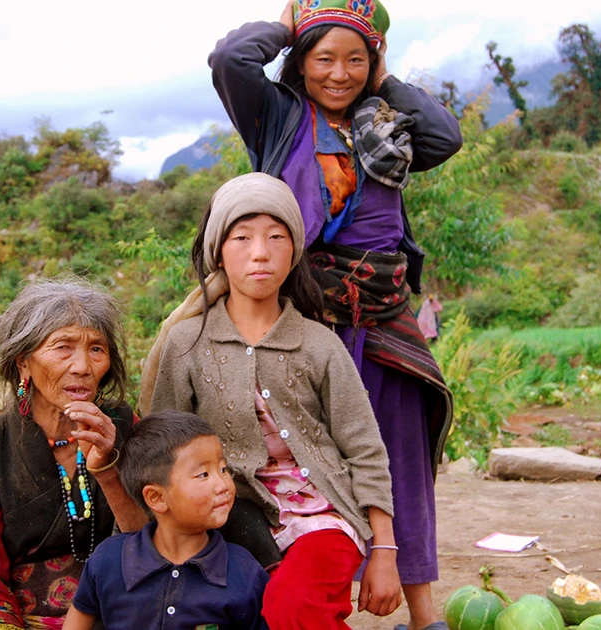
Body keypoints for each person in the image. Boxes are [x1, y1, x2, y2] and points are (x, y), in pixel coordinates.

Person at [207, 2, 462, 628]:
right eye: (325, 58)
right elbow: (228, 59)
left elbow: (446, 137)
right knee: (308, 457)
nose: (339, 73)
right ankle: (313, 596)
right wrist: (294, 24)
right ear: (301, 59)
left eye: (356, 59)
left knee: (398, 454)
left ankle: (423, 612)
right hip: (304, 315)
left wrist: (382, 81)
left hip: (380, 317)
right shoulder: (277, 116)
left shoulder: (387, 123)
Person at [141, 173, 401, 629]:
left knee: (290, 609)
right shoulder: (187, 343)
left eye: (276, 237)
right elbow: (162, 448)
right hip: (228, 518)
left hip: (323, 519)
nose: (260, 252)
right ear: (219, 250)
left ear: (294, 251)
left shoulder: (319, 345)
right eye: (242, 238)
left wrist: (384, 551)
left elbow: (364, 450)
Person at [0, 278, 149, 630]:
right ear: (23, 362)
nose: (83, 367)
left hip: (130, 610)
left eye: (97, 349)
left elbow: (158, 542)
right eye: (63, 347)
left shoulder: (127, 429)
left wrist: (108, 471)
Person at [62, 410, 269, 630]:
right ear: (157, 498)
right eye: (203, 475)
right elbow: (78, 620)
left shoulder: (243, 573)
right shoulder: (109, 561)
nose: (223, 485)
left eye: (223, 469)